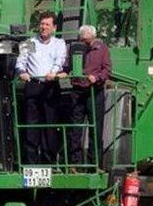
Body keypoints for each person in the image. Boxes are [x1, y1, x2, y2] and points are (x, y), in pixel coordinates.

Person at [15, 11, 67, 164]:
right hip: (33, 86)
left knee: (50, 125)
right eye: (42, 24)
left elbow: (60, 60)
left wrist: (54, 72)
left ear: (54, 27)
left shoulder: (59, 43)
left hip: (50, 87)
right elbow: (20, 62)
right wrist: (22, 72)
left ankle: (48, 162)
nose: (43, 27)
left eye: (47, 24)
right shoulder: (29, 43)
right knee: (31, 125)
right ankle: (31, 162)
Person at [67, 25, 111, 170]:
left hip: (95, 91)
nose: (84, 43)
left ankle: (94, 164)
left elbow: (107, 69)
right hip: (77, 90)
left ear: (93, 37)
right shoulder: (74, 48)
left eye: (87, 40)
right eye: (82, 40)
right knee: (75, 128)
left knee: (96, 129)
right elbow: (67, 65)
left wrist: (97, 77)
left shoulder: (102, 48)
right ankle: (75, 163)